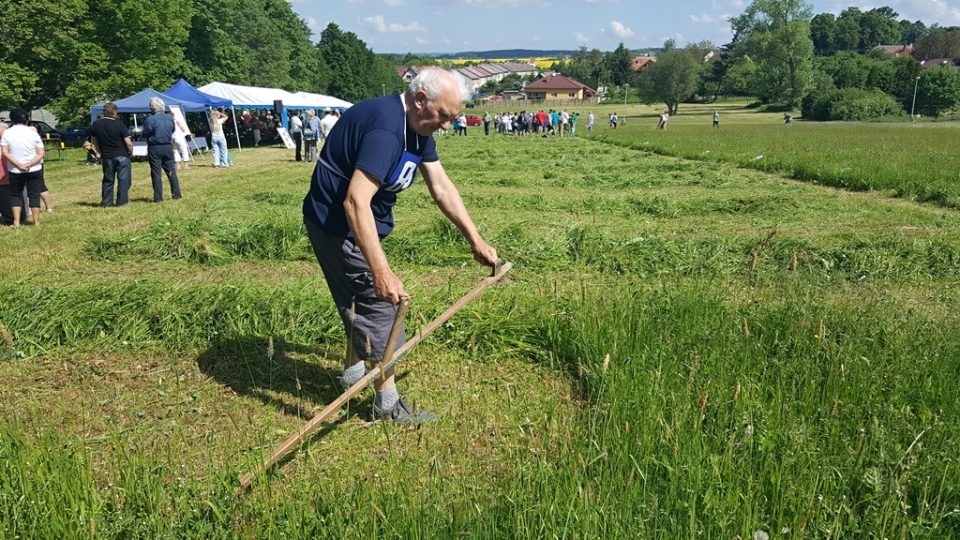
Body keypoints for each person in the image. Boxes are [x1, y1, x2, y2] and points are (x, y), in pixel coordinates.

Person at [302, 68, 498, 423]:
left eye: (453, 119)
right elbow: (355, 203)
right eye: (444, 116)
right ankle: (387, 407)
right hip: (338, 226)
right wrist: (382, 271)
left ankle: (350, 376)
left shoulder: (418, 127)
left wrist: (476, 239)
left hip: (354, 224)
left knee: (359, 301)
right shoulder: (387, 130)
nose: (447, 125)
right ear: (420, 99)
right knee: (382, 306)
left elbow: (441, 187)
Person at [0, 109, 45, 227]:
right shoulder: (33, 132)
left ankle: (16, 222)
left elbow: (5, 152)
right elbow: (40, 153)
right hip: (34, 168)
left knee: (16, 194)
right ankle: (36, 222)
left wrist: (19, 164)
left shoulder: (7, 133)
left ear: (12, 119)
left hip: (15, 169)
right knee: (34, 194)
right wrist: (30, 163)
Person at [88, 102, 134, 207]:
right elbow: (128, 143)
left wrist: (99, 152)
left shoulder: (96, 124)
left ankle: (106, 202)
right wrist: (131, 152)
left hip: (107, 156)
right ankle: (121, 202)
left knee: (108, 180)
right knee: (123, 180)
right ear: (114, 112)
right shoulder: (119, 124)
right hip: (122, 155)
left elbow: (93, 140)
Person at [141, 97, 181, 202]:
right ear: (163, 107)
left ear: (151, 108)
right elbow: (172, 130)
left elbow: (145, 133)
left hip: (155, 147)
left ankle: (158, 197)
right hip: (167, 146)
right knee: (171, 171)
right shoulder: (170, 118)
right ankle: (176, 194)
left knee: (156, 172)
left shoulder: (149, 119)